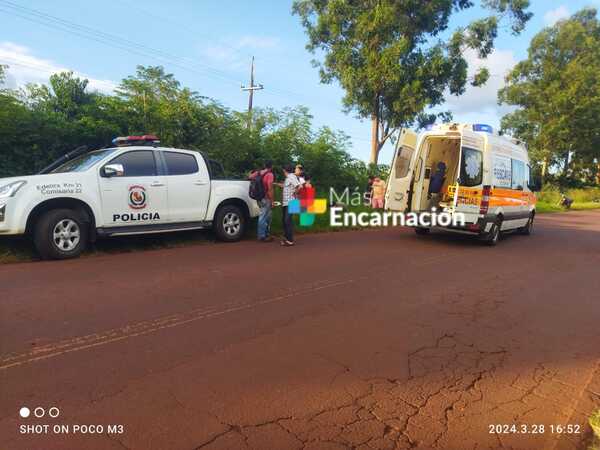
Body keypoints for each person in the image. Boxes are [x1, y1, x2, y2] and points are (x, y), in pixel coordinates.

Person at [249, 161, 275, 242]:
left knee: (265, 215)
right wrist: (272, 200)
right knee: (263, 216)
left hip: (258, 197)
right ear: (271, 167)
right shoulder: (270, 174)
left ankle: (266, 234)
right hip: (266, 198)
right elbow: (270, 188)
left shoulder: (258, 172)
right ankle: (262, 236)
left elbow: (249, 177)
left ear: (264, 165)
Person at [281, 164, 302, 246]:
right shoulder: (288, 178)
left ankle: (290, 240)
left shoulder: (291, 176)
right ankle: (287, 238)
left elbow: (299, 186)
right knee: (285, 221)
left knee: (287, 221)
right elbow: (288, 187)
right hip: (287, 202)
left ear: (284, 170)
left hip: (291, 202)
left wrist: (295, 193)